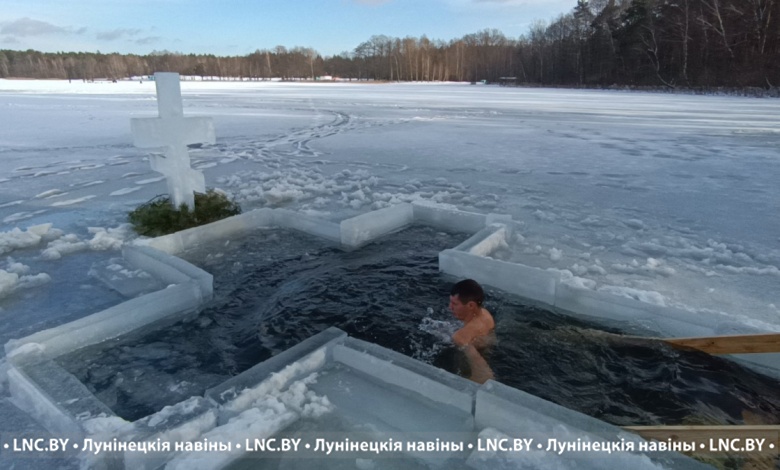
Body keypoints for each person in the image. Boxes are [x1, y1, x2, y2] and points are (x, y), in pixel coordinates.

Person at [449, 279, 495, 383]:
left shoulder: (460, 337)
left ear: (471, 305)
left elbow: (485, 376)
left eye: (454, 304)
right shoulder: (485, 314)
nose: (450, 307)